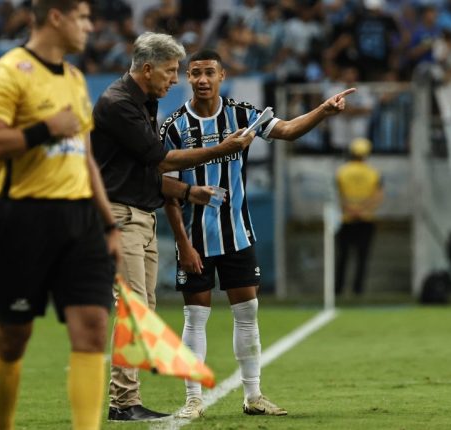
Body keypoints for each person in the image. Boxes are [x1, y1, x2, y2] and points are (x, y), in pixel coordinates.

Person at [161, 49, 354, 419]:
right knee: (194, 317)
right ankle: (193, 400)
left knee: (247, 313)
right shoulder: (173, 127)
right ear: (188, 78)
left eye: (209, 73)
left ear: (222, 76)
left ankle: (253, 396)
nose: (202, 79)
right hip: (195, 238)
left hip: (237, 235)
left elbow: (287, 130)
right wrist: (183, 245)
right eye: (195, 73)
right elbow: (164, 188)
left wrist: (323, 111)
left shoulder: (242, 114)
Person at [91, 33, 256, 422]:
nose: (175, 80)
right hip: (121, 216)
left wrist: (187, 191)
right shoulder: (119, 104)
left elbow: (144, 171)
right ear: (147, 69)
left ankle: (126, 399)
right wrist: (221, 149)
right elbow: (160, 159)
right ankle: (122, 402)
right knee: (133, 310)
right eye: (170, 71)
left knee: (142, 310)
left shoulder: (143, 101)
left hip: (141, 215)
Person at [0, 1, 118, 429]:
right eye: (84, 18)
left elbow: (86, 159)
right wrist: (43, 128)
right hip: (25, 219)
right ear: (57, 16)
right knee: (13, 338)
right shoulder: (7, 71)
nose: (90, 27)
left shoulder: (75, 78)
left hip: (81, 221)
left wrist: (108, 223)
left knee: (92, 328)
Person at [335, 137, 383, 297]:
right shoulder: (374, 173)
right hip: (366, 219)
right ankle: (358, 290)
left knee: (343, 257)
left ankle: (338, 290)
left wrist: (350, 209)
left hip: (346, 219)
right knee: (362, 257)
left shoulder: (342, 171)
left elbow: (337, 195)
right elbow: (378, 196)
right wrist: (362, 210)